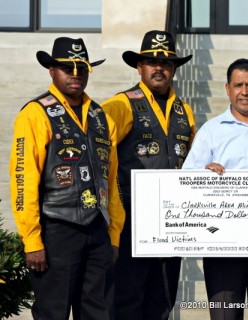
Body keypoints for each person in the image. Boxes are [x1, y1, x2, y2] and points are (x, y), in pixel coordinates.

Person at [9, 37, 125, 320]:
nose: (75, 74)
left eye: (81, 68)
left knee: (99, 313)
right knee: (53, 312)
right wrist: (33, 240)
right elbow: (23, 179)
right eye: (67, 68)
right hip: (56, 230)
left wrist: (113, 235)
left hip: (97, 230)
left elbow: (112, 180)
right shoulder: (36, 113)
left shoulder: (101, 116)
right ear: (52, 71)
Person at [182, 58, 248, 320]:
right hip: (222, 247)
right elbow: (186, 180)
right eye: (238, 85)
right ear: (227, 88)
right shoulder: (211, 131)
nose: (244, 91)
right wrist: (203, 174)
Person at [100, 30, 196, 320]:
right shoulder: (120, 105)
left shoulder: (185, 111)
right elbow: (97, 154)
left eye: (166, 63)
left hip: (170, 222)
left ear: (175, 69)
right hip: (131, 221)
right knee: (128, 299)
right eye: (152, 62)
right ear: (139, 67)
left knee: (162, 301)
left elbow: (192, 162)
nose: (159, 68)